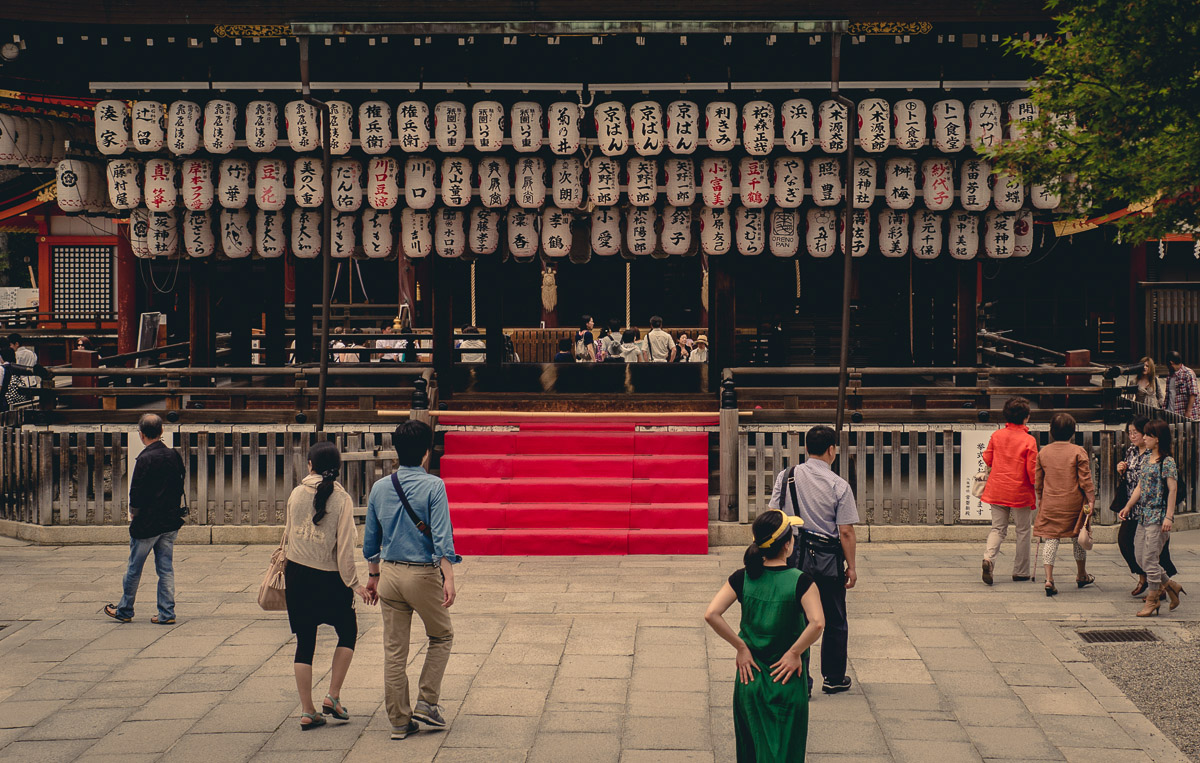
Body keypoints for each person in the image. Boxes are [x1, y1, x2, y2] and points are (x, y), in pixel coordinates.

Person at [364, 421, 460, 740]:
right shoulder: (434, 486)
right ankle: (427, 702)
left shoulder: (379, 488)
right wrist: (449, 577)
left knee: (394, 651)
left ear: (396, 449)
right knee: (442, 635)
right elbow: (443, 538)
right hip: (421, 574)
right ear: (425, 452)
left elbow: (370, 541)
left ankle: (398, 721)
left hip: (389, 573)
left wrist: (373, 577)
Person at [705, 509, 825, 762]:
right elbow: (817, 623)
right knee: (785, 752)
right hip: (787, 678)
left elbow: (712, 614)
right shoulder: (801, 581)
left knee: (751, 751)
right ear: (788, 545)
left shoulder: (743, 577)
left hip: (750, 680)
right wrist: (794, 652)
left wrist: (741, 647)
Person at [282, 441, 373, 730]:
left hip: (297, 573)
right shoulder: (342, 499)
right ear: (337, 467)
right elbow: (345, 546)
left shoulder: (296, 493)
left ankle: (308, 710)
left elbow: (288, 535)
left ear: (309, 465)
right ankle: (332, 695)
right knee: (348, 631)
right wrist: (355, 583)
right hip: (329, 577)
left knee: (304, 643)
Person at [768, 425, 858, 695]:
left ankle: (799, 678)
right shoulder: (839, 485)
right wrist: (851, 566)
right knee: (834, 618)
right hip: (828, 558)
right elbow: (846, 531)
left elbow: (774, 514)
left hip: (793, 555)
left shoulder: (787, 476)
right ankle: (833, 677)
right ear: (832, 450)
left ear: (806, 449)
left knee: (797, 617)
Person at [104, 414, 185, 625]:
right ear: (161, 432)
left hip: (149, 522)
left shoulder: (144, 459)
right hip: (170, 519)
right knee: (165, 568)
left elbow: (136, 492)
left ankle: (125, 609)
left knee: (134, 567)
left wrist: (134, 513)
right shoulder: (173, 455)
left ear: (141, 435)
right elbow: (180, 481)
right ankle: (167, 612)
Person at [1120, 419, 1186, 616]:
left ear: (1157, 439)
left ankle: (1153, 599)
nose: (1144, 438)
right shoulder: (1147, 457)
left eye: (1148, 435)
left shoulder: (1167, 462)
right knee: (1140, 556)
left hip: (1158, 516)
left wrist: (1169, 517)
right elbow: (1140, 486)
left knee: (1150, 558)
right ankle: (1171, 585)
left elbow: (1173, 489)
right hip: (1143, 514)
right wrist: (1128, 505)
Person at [1033, 413, 1096, 596]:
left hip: (1051, 501)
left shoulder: (1044, 452)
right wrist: (1091, 499)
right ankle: (1081, 573)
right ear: (1073, 432)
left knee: (1051, 538)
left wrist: (1040, 498)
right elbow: (1085, 479)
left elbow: (1039, 480)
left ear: (1051, 432)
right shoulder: (1078, 451)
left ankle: (1049, 578)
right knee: (1078, 536)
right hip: (1074, 502)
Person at [979, 397, 1038, 585]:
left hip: (997, 488)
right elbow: (1032, 471)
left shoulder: (997, 436)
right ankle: (1021, 571)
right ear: (1026, 418)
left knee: (997, 528)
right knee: (1022, 531)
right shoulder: (1029, 440)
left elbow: (988, 458)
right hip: (1020, 491)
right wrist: (1039, 487)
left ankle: (989, 558)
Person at [1164, 351, 1199, 419]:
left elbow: (1193, 393)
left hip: (1183, 413)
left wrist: (1188, 411)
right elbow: (1168, 394)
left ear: (1171, 363)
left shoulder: (1188, 373)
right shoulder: (1169, 375)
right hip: (1171, 412)